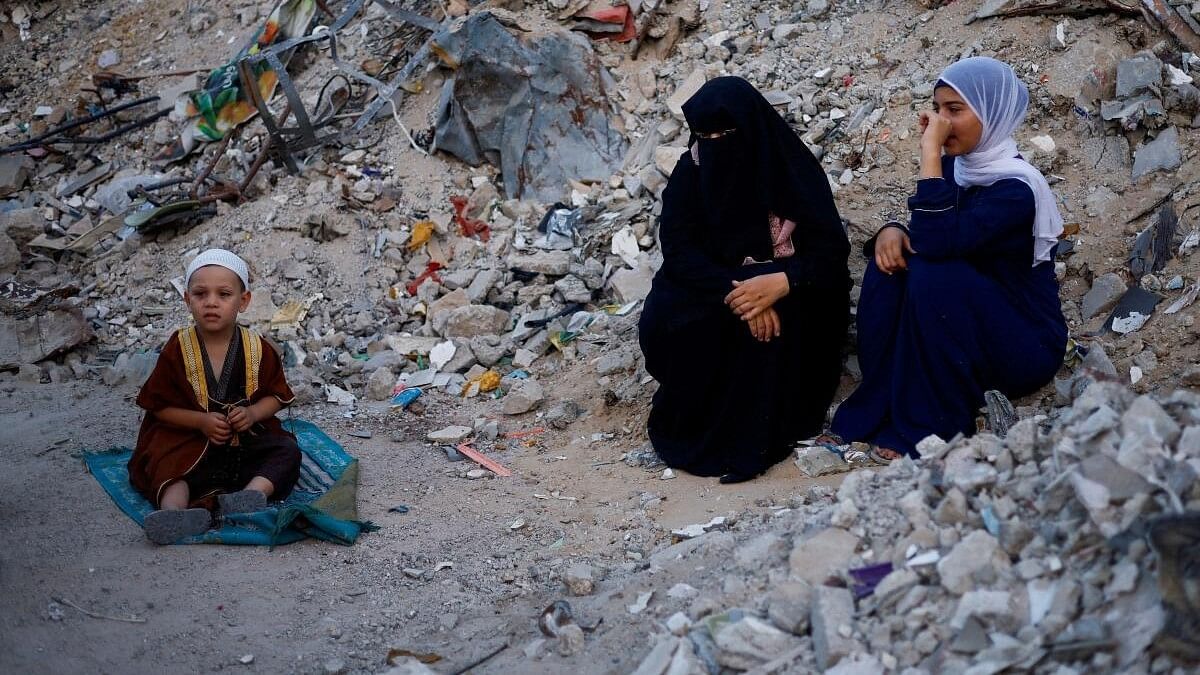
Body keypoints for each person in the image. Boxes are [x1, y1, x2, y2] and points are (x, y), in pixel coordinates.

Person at [829, 57, 1067, 461]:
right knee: (890, 264)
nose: (941, 122)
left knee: (932, 274)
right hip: (965, 331)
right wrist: (893, 230)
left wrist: (928, 153)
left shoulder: (1017, 190)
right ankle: (883, 401)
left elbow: (938, 243)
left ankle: (928, 427)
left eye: (955, 110)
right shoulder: (962, 168)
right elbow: (927, 233)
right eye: (938, 109)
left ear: (991, 114)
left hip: (1022, 344)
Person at [638, 76, 851, 484]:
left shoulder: (790, 168)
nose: (715, 143)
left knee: (786, 320)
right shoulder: (694, 167)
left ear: (751, 128)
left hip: (789, 283)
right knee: (670, 311)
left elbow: (829, 251)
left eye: (726, 133)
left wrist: (780, 283)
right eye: (706, 134)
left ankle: (759, 437)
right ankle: (701, 426)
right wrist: (740, 294)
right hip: (720, 284)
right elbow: (679, 248)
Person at [129, 249, 302, 544]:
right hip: (191, 442)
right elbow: (158, 408)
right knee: (164, 460)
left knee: (287, 451)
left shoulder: (258, 347)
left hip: (245, 442)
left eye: (223, 294)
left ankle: (251, 495)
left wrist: (252, 415)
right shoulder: (177, 348)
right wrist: (201, 422)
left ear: (243, 301)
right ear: (187, 299)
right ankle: (175, 513)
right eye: (200, 294)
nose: (211, 303)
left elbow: (276, 396)